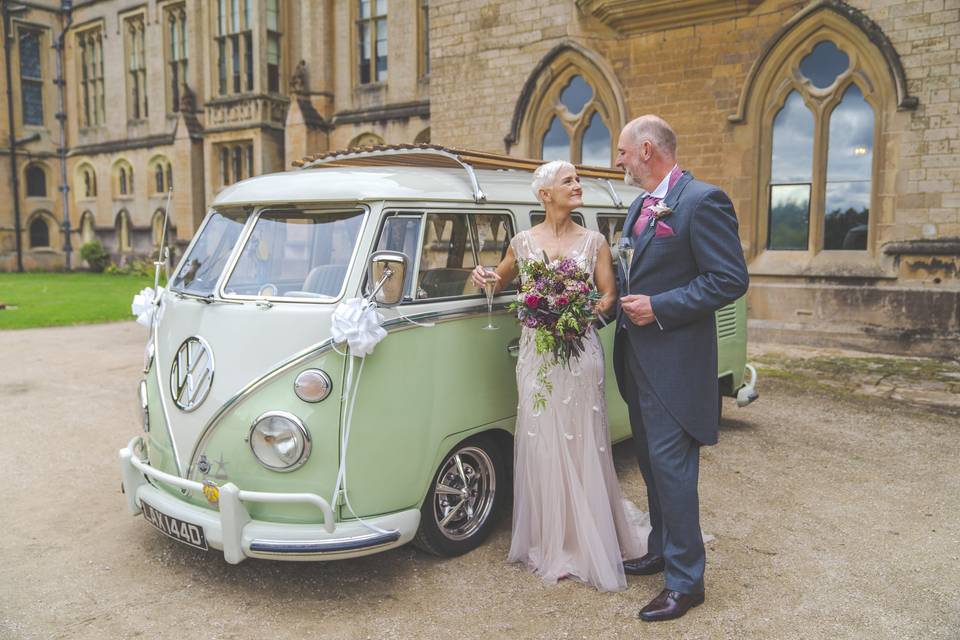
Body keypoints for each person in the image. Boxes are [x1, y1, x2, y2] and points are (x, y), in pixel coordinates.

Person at [470, 160, 645, 592]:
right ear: (545, 193)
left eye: (577, 179)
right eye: (568, 181)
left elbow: (608, 294)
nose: (576, 185)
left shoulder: (595, 241)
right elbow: (497, 279)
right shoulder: (523, 242)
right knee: (542, 439)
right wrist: (481, 276)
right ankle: (553, 541)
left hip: (580, 351)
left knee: (583, 438)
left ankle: (588, 538)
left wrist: (584, 310)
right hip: (537, 356)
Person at [613, 115, 749, 621]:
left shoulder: (702, 200)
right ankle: (661, 548)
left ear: (647, 149)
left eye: (624, 151)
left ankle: (687, 582)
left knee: (672, 471)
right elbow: (632, 270)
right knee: (649, 463)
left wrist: (661, 307)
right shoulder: (638, 207)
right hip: (636, 358)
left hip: (675, 363)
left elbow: (729, 279)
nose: (619, 160)